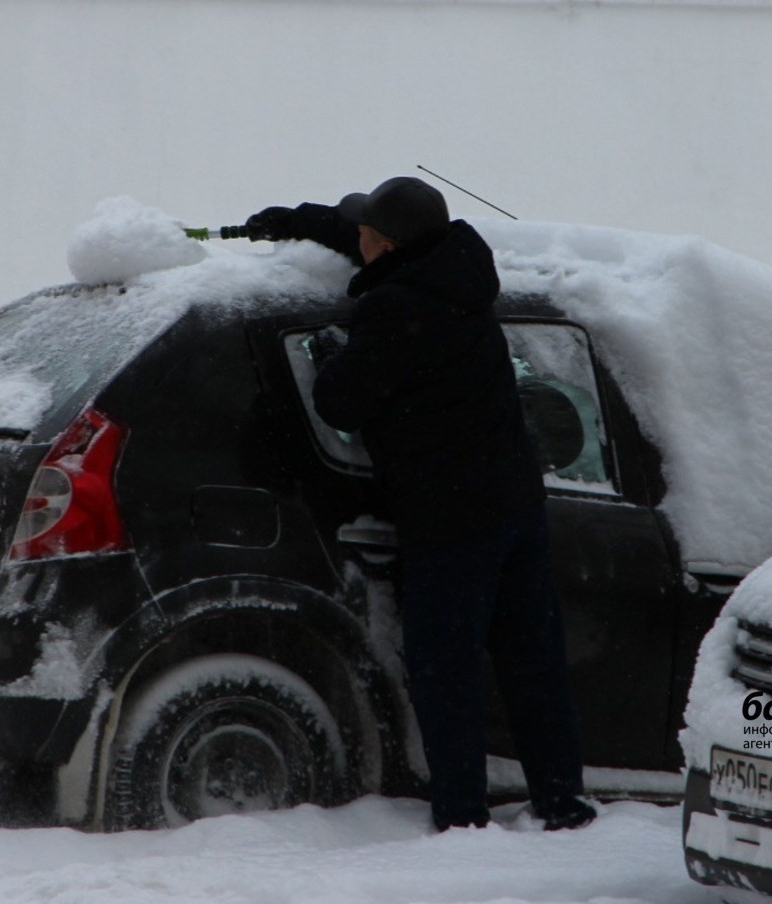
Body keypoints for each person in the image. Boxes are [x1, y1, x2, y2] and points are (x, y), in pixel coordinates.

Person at [245, 177, 597, 832]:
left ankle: (462, 822)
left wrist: (332, 356)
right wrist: (302, 220)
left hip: (452, 519)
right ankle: (563, 803)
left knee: (447, 676)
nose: (361, 245)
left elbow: (338, 402)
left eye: (367, 240)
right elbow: (368, 231)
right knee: (533, 666)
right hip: (518, 507)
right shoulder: (459, 268)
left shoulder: (396, 314)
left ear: (387, 244)